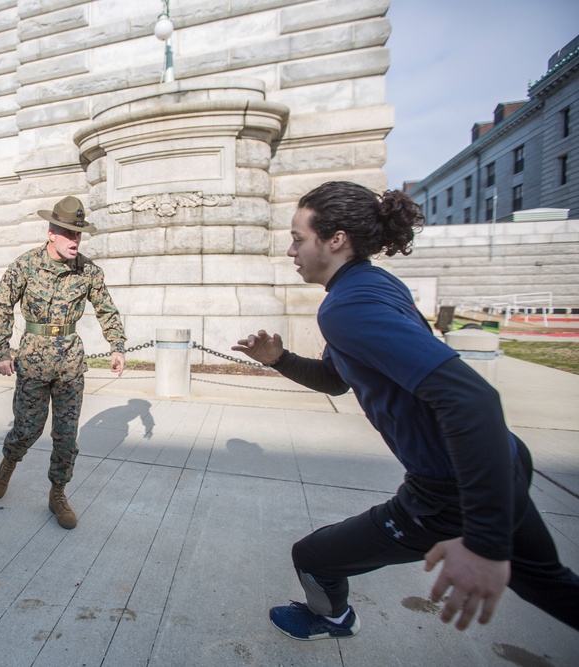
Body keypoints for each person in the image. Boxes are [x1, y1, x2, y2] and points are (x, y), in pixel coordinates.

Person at [232, 181, 579, 640]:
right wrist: (280, 360)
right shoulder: (369, 285)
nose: (291, 249)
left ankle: (330, 617)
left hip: (451, 489)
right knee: (548, 582)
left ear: (335, 239)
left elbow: (471, 398)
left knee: (313, 557)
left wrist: (483, 543)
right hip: (501, 461)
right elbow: (338, 381)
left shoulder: (348, 306)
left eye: (298, 238)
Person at [0, 196, 126, 529]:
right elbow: (1, 307)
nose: (75, 241)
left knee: (66, 436)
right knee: (27, 429)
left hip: (70, 366)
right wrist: (1, 350)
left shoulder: (89, 271)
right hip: (33, 361)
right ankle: (9, 460)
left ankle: (58, 495)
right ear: (51, 233)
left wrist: (117, 345)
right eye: (68, 233)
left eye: (78, 234)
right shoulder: (26, 265)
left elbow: (106, 309)